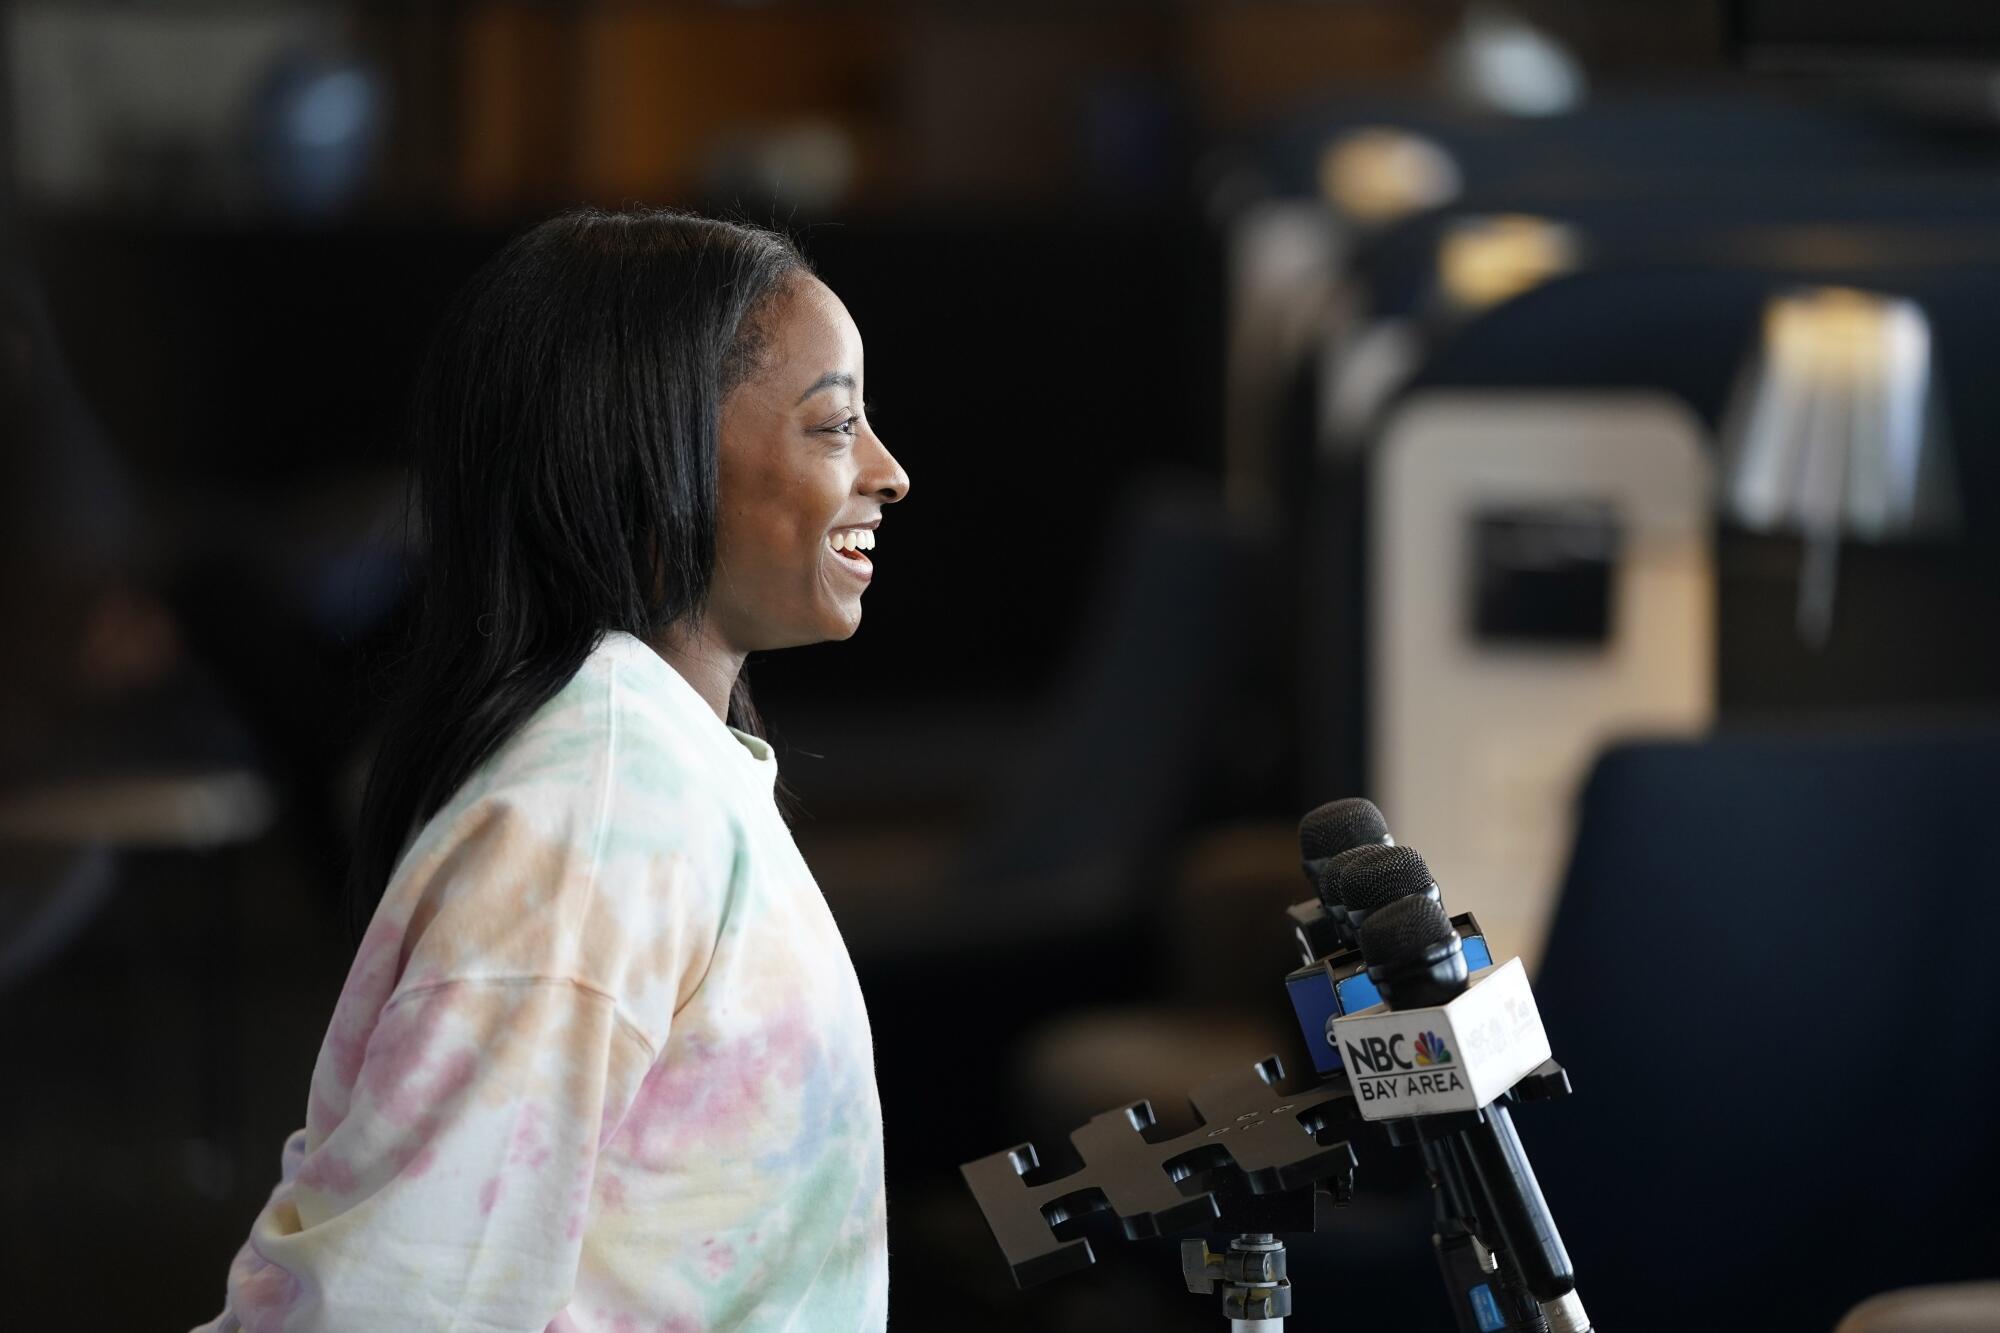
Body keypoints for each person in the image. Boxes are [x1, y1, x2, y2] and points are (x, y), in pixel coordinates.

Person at [194, 207, 910, 1332]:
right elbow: (397, 1305)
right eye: (833, 428)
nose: (887, 472)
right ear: (658, 453)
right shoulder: (595, 808)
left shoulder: (653, 760)